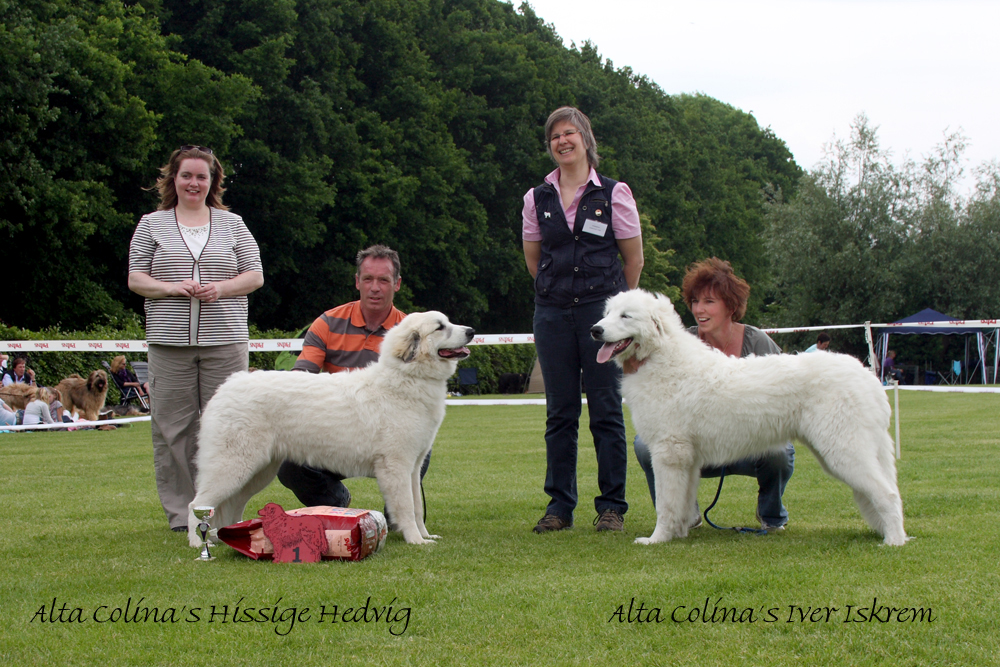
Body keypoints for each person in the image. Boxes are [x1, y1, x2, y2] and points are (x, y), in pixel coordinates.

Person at [128, 145, 264, 532]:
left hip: (226, 340)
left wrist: (220, 288)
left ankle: (224, 510)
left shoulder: (233, 224)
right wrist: (170, 288)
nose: (194, 182)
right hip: (169, 343)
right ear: (173, 178)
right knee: (173, 429)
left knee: (232, 426)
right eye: (186, 175)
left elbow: (254, 275)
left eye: (201, 176)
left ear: (212, 182)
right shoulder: (151, 224)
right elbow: (136, 278)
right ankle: (182, 516)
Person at [521, 106, 644, 533]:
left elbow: (634, 260)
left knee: (607, 410)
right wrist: (557, 295)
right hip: (552, 313)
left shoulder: (614, 193)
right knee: (560, 412)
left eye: (569, 133)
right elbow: (534, 261)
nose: (562, 141)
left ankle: (612, 506)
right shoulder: (536, 198)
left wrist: (612, 309)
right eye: (554, 136)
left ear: (585, 139)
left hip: (601, 313)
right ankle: (559, 506)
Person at [633, 258, 795, 532]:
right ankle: (684, 515)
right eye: (695, 301)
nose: (699, 309)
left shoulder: (758, 342)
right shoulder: (680, 342)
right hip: (699, 445)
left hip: (750, 445)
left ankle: (771, 515)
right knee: (644, 445)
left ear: (731, 306)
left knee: (779, 450)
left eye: (709, 302)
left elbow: (788, 390)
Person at [277, 245, 431, 513]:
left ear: (397, 284)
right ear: (357, 281)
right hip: (336, 432)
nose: (375, 287)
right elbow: (300, 380)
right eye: (368, 279)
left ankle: (397, 514)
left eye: (383, 280)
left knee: (419, 456)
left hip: (392, 433)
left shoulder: (413, 330)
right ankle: (336, 503)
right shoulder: (326, 323)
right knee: (289, 465)